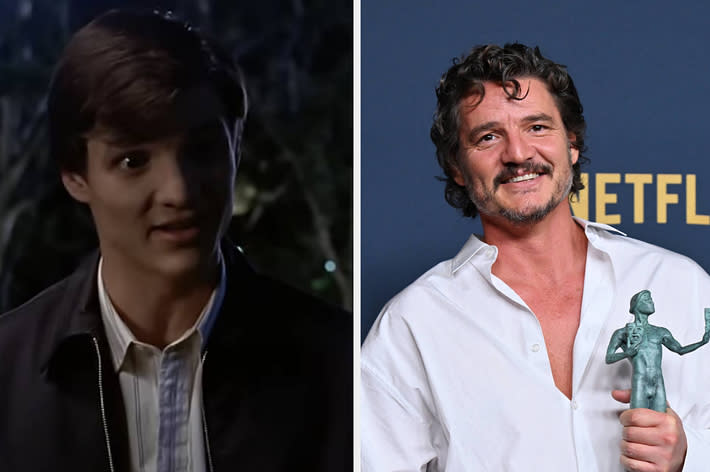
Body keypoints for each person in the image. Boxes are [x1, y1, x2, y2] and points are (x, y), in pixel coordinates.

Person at [0, 9, 351, 472]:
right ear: (75, 175)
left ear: (236, 146)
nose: (179, 191)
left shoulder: (342, 369)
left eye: (202, 151)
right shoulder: (10, 374)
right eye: (133, 161)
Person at [361, 43, 710, 471]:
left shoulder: (680, 284)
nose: (519, 154)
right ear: (456, 165)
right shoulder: (412, 325)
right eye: (488, 137)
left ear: (573, 143)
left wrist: (688, 455)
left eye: (537, 127)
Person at [606, 290, 710, 412]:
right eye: (647, 299)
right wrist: (626, 353)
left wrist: (702, 341)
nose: (651, 302)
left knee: (661, 419)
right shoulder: (623, 332)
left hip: (658, 383)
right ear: (636, 305)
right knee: (640, 421)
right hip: (640, 381)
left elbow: (680, 350)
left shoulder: (660, 332)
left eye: (651, 299)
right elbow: (609, 358)